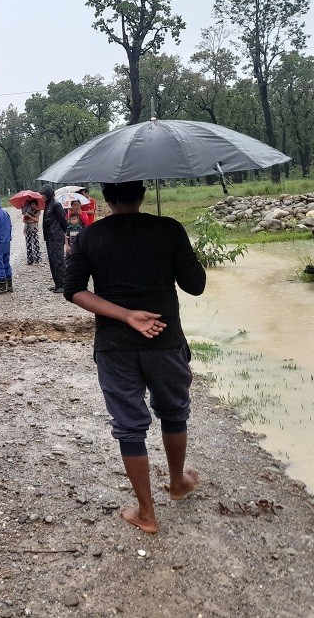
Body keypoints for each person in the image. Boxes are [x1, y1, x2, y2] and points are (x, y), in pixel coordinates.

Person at [63, 180, 206, 534]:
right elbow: (196, 285)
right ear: (142, 195)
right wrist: (175, 246)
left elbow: (74, 290)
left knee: (129, 425)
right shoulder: (168, 229)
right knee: (174, 411)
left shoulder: (89, 237)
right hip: (165, 339)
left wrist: (126, 315)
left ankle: (146, 512)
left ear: (107, 197)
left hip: (115, 346)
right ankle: (177, 483)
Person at [39, 185, 68, 293]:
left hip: (56, 237)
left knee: (59, 260)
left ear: (48, 194)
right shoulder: (48, 205)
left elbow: (63, 220)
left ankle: (64, 285)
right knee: (52, 261)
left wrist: (64, 232)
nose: (42, 197)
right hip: (50, 237)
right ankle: (58, 284)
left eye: (43, 194)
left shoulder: (56, 205)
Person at [21, 198, 42, 265]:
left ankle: (37, 260)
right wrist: (30, 220)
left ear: (36, 205)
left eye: (34, 204)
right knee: (28, 244)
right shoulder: (26, 210)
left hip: (34, 229)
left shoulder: (37, 211)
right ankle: (30, 260)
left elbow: (37, 220)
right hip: (27, 229)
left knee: (36, 244)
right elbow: (24, 220)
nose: (33, 206)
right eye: (32, 204)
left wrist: (29, 216)